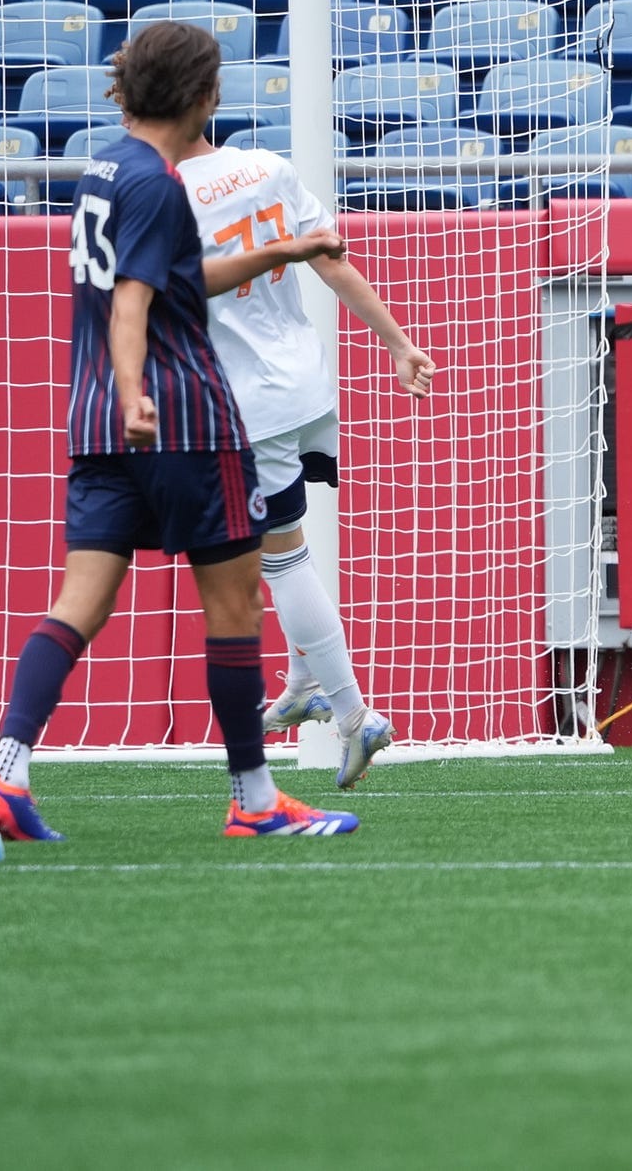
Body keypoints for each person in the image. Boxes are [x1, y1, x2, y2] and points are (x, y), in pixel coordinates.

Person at [0, 21, 359, 845]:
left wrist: (288, 250)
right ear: (203, 97)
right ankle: (255, 800)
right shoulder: (160, 184)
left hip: (95, 427)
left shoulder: (104, 168)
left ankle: (4, 772)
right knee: (233, 609)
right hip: (182, 420)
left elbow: (171, 274)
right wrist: (137, 391)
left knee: (78, 605)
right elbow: (134, 303)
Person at [178, 126, 436, 790]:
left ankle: (355, 717)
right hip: (306, 382)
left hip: (250, 399)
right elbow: (331, 259)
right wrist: (398, 344)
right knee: (288, 546)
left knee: (280, 560)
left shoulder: (169, 192)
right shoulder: (267, 165)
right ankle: (300, 683)